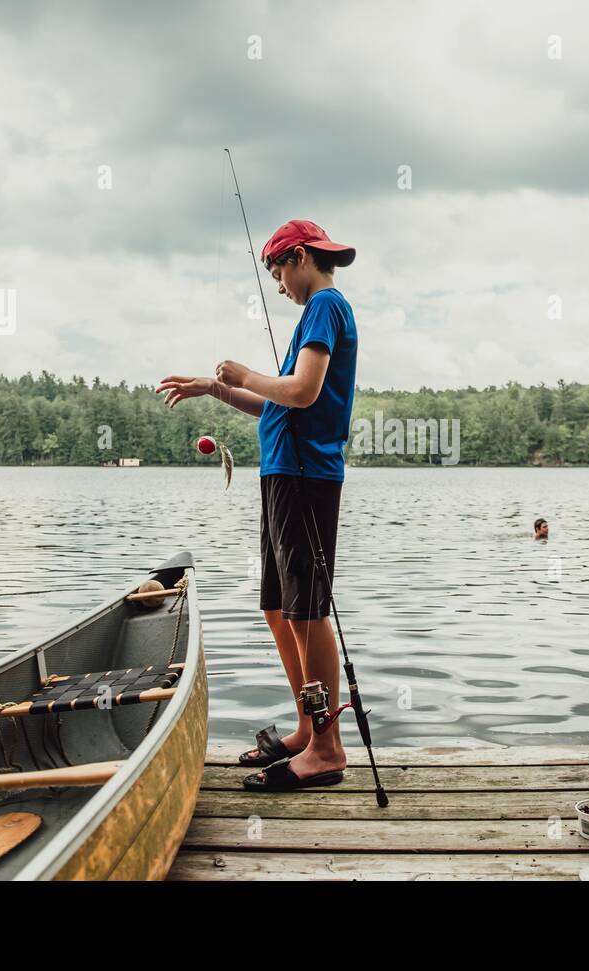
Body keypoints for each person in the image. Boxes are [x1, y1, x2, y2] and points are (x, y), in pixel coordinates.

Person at [157, 218, 357, 792]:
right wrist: (215, 386)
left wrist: (246, 372)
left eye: (276, 272)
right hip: (282, 476)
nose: (277, 286)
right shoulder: (314, 314)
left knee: (307, 609)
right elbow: (277, 407)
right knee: (279, 605)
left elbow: (302, 392)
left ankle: (326, 747)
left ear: (298, 257)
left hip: (306, 476)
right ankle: (306, 727)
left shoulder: (325, 306)